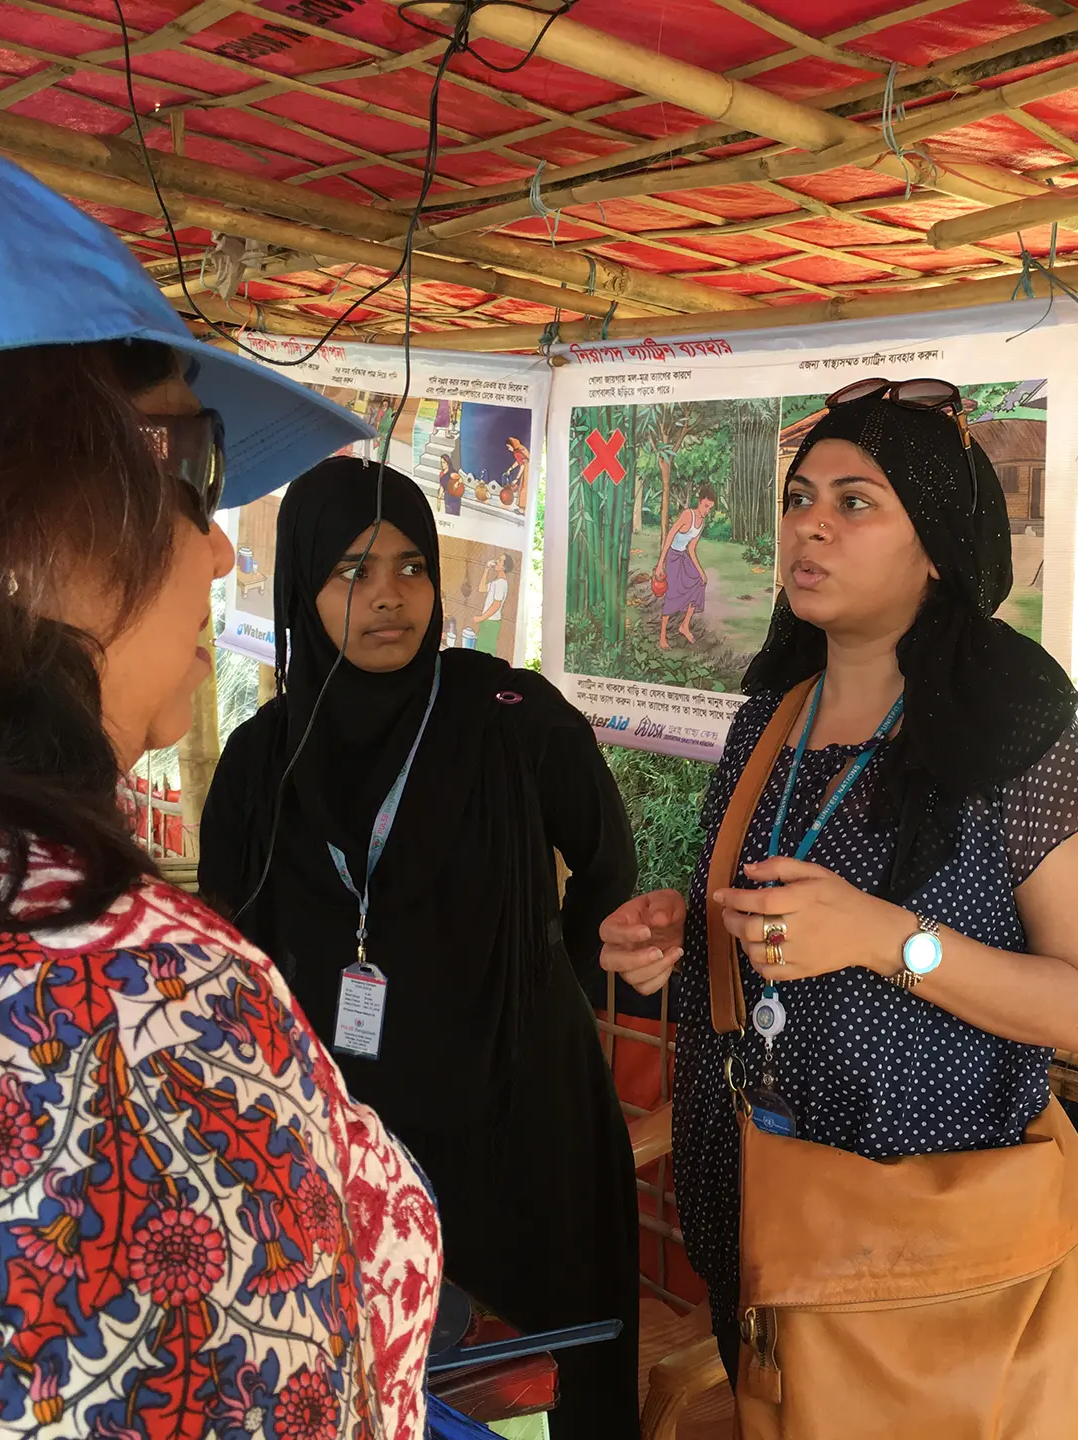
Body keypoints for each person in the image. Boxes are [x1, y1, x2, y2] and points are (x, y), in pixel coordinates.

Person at [0, 141, 441, 1435]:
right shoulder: (115, 1019)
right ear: (7, 525)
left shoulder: (507, 724)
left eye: (411, 565)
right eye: (188, 467)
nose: (216, 550)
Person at [600, 378, 1078, 1382]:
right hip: (756, 1216)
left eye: (855, 502)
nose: (811, 526)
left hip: (926, 1256)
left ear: (936, 547)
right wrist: (685, 931)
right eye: (801, 498)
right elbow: (763, 924)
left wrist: (889, 940)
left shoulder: (1013, 732)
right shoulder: (770, 720)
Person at [199, 460, 641, 1439]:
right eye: (352, 571)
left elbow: (609, 872)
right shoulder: (262, 761)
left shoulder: (514, 721)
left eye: (411, 566)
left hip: (526, 1134)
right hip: (349, 1146)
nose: (390, 596)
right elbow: (229, 960)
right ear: (303, 586)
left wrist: (543, 999)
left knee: (539, 1394)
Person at [654, 484, 717, 651]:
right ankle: (662, 636)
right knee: (673, 593)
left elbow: (691, 548)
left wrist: (701, 572)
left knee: (699, 582)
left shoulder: (701, 523)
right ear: (700, 502)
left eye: (710, 508)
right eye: (705, 506)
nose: (707, 511)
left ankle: (684, 625)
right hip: (672, 556)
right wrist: (660, 563)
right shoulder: (687, 515)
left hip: (683, 555)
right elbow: (670, 536)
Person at [474, 552, 514, 656]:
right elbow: (482, 588)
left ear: (504, 567)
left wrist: (481, 618)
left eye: (500, 560)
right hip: (488, 621)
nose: (496, 561)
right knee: (481, 649)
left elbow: (496, 605)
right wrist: (486, 569)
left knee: (485, 651)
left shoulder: (501, 583)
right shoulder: (496, 582)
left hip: (491, 622)